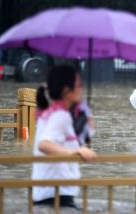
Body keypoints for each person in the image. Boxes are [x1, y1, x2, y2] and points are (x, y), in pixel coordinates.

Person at [32, 65, 97, 209]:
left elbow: (84, 134)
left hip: (52, 193)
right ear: (67, 91)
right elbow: (44, 145)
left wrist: (86, 115)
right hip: (55, 196)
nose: (81, 88)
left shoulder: (53, 113)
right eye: (79, 85)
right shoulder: (60, 116)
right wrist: (75, 152)